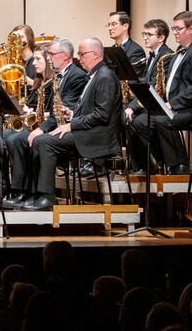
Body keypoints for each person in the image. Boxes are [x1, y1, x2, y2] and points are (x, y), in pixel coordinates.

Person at [23, 38, 122, 211]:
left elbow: (103, 115)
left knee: (44, 141)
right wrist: (71, 113)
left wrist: (71, 124)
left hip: (98, 137)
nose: (79, 58)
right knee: (39, 140)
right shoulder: (95, 75)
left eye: (83, 54)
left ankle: (48, 197)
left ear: (96, 54)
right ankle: (37, 194)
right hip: (87, 131)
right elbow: (93, 110)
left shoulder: (105, 76)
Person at [129, 11, 192, 177]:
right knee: (141, 121)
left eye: (178, 28)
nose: (175, 32)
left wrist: (172, 104)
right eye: (174, 28)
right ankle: (158, 161)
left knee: (163, 120)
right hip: (177, 104)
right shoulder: (180, 50)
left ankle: (181, 165)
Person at [5, 38, 87, 209]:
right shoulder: (58, 76)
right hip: (55, 126)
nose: (49, 58)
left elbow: (65, 109)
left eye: (51, 54)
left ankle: (44, 195)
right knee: (16, 139)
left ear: (65, 56)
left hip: (68, 130)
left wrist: (41, 129)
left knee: (36, 140)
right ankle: (23, 191)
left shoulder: (77, 76)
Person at [123, 19, 172, 170]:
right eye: (144, 34)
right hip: (148, 103)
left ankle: (157, 159)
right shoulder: (151, 55)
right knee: (124, 118)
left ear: (161, 37)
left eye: (149, 34)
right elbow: (145, 81)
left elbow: (153, 87)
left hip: (158, 104)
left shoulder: (167, 56)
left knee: (138, 121)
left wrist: (132, 106)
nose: (145, 37)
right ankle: (142, 165)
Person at [107, 11, 147, 79]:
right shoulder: (110, 50)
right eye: (109, 25)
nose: (110, 28)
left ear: (125, 26)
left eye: (113, 24)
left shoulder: (136, 51)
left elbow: (132, 78)